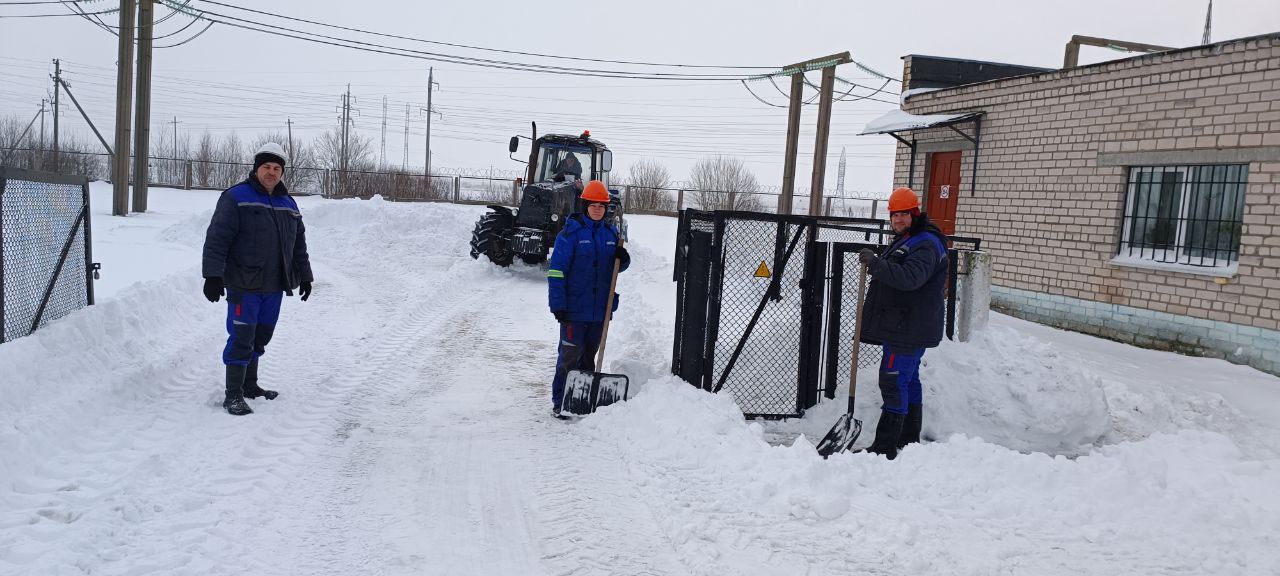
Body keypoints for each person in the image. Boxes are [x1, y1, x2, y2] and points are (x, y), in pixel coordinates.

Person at [202, 142, 314, 416]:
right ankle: (233, 394)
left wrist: (306, 276)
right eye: (267, 167)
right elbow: (217, 238)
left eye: (277, 168)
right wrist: (213, 275)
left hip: (274, 286)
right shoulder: (236, 197)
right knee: (242, 336)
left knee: (261, 337)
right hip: (244, 285)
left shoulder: (288, 203)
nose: (272, 172)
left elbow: (298, 244)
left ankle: (250, 385)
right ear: (256, 168)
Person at [857, 187, 948, 459]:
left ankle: (885, 447)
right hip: (905, 324)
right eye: (894, 215)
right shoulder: (910, 238)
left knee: (894, 381)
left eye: (903, 214)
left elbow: (910, 278)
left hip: (908, 327)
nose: (897, 220)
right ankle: (908, 442)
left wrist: (876, 264)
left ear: (914, 213)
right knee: (907, 381)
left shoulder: (925, 243)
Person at [546, 180, 630, 418]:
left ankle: (583, 398)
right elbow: (556, 272)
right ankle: (561, 400)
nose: (597, 209)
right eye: (593, 205)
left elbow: (614, 268)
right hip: (573, 309)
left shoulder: (610, 233)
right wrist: (558, 304)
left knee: (588, 355)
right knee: (569, 356)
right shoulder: (569, 234)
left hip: (599, 310)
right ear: (585, 205)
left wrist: (622, 259)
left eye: (601, 206)